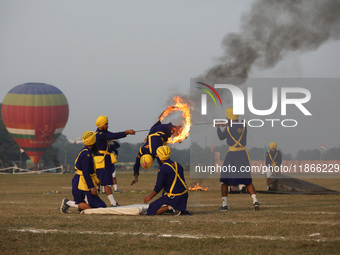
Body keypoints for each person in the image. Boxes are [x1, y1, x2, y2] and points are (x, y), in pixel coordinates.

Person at [216, 107, 260, 211]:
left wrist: (218, 127)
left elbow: (221, 137)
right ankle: (255, 201)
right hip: (243, 155)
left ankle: (224, 205)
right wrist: (228, 124)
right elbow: (236, 128)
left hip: (232, 155)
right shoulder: (244, 125)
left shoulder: (227, 128)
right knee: (247, 179)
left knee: (224, 180)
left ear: (228, 116)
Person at [60, 131, 106, 214]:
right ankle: (68, 203)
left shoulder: (85, 151)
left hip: (82, 181)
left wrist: (96, 181)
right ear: (93, 142)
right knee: (94, 209)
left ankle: (81, 206)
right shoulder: (86, 154)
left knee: (102, 206)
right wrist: (91, 187)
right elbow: (85, 172)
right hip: (82, 183)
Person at [95, 115, 135, 206]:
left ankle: (107, 202)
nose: (108, 125)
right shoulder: (100, 135)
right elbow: (113, 135)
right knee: (105, 183)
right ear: (101, 125)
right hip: (103, 162)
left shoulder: (103, 134)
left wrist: (126, 133)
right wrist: (126, 132)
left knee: (104, 182)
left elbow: (113, 135)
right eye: (106, 124)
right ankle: (112, 203)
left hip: (105, 161)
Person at [131, 120, 182, 186]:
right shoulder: (142, 150)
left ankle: (178, 129)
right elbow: (137, 164)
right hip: (153, 129)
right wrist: (136, 177)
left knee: (179, 133)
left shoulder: (155, 151)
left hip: (164, 130)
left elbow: (162, 164)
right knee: (175, 134)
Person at [143, 145, 190, 215]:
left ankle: (171, 207)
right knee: (162, 198)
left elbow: (158, 186)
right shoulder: (178, 165)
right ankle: (175, 207)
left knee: (151, 210)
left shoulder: (163, 168)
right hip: (183, 196)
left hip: (174, 197)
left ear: (159, 156)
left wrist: (149, 197)